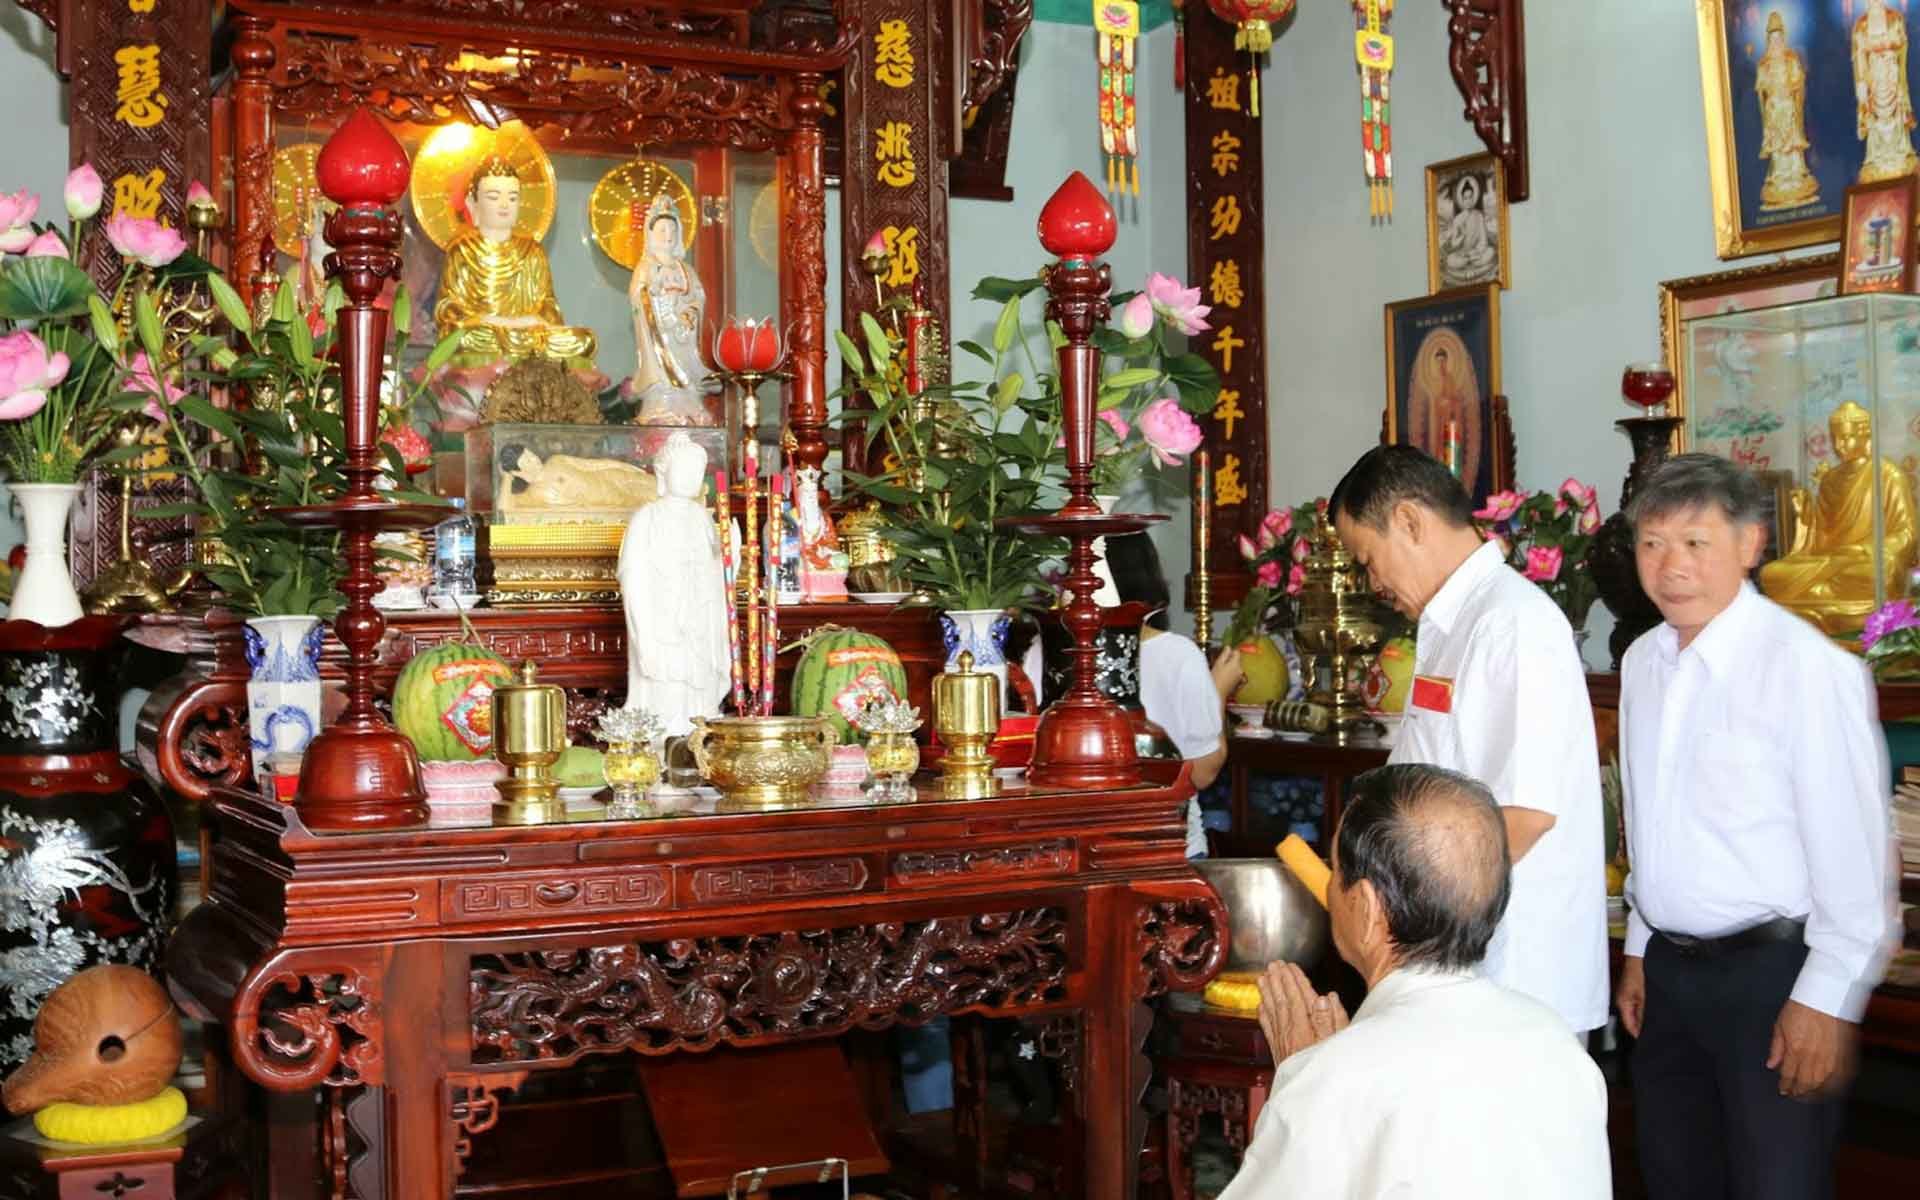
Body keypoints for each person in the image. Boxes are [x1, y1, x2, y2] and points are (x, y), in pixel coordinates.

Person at [1615, 454, 1896, 1200]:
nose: (1670, 566)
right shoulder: (1643, 663)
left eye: (1696, 543)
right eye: (1652, 543)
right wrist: (1642, 949)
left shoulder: (1808, 669)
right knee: (1674, 1178)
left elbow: (1854, 856)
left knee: (1777, 1186)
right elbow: (1648, 823)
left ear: (1750, 544)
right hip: (1670, 975)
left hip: (1773, 979)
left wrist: (1824, 1000)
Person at [1218, 763, 1611, 1200]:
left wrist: (1299, 1081)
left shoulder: (1336, 1077)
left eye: (1337, 872)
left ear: (1366, 907)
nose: (1330, 889)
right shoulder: (1561, 1050)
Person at [1328, 444, 1607, 1036]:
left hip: (1512, 977)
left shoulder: (1511, 622)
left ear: (1408, 521)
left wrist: (1408, 923)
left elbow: (1524, 814)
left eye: (1367, 558)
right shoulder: (1452, 623)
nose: (1371, 581)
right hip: (1454, 971)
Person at [1103, 530, 1242, 857]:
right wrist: (1217, 691)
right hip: (1168, 844)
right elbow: (1202, 771)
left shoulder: (1054, 650)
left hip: (1091, 844)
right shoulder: (1177, 654)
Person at [1757, 400, 1917, 636]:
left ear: (1865, 435)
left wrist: (1863, 551)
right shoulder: (1831, 479)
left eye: (1847, 437)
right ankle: (1824, 597)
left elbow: (1907, 533)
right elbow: (1819, 542)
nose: (1840, 445)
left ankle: (1819, 595)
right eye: (1835, 438)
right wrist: (1804, 517)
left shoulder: (1887, 474)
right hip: (1833, 564)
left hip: (1861, 563)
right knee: (1771, 574)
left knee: (1876, 573)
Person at [617, 431, 729, 736]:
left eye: (698, 471)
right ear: (664, 473)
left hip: (699, 626)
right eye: (686, 470)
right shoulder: (647, 518)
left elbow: (715, 574)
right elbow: (633, 579)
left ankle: (697, 746)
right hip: (663, 626)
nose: (693, 477)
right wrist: (644, 635)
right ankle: (664, 747)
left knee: (699, 696)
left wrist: (730, 561)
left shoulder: (703, 519)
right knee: (665, 695)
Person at [434, 157, 596, 365]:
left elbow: (548, 306)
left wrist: (535, 321)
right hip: (484, 332)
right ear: (472, 203)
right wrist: (490, 321)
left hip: (528, 332)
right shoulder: (462, 250)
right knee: (460, 338)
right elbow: (448, 308)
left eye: (512, 198)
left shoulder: (532, 251)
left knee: (584, 340)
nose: (504, 205)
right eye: (493, 197)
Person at [628, 193, 713, 425]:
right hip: (659, 332)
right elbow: (637, 294)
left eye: (672, 230)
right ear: (651, 234)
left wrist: (688, 313)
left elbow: (698, 296)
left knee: (687, 374)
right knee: (661, 373)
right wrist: (654, 294)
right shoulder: (645, 267)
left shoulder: (685, 269)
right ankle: (661, 403)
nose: (668, 235)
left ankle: (689, 404)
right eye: (662, 230)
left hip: (683, 334)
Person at [1756, 11, 1820, 211]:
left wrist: (1791, 88)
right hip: (1774, 109)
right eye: (1772, 38)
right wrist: (1771, 95)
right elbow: (1761, 89)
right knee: (1778, 146)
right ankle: (1780, 178)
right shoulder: (1764, 64)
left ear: (1783, 38)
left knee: (1792, 145)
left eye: (1779, 38)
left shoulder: (1791, 58)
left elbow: (1798, 80)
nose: (1776, 42)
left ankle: (1795, 175)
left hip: (1789, 107)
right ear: (1768, 40)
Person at [1852, 0, 1918, 184]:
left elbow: (1901, 42)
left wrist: (1886, 47)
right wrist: (1862, 85)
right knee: (1875, 116)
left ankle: (1900, 153)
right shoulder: (1861, 25)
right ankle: (1878, 157)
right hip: (1874, 76)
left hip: (1892, 73)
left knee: (1896, 112)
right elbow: (1859, 56)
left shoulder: (1894, 18)